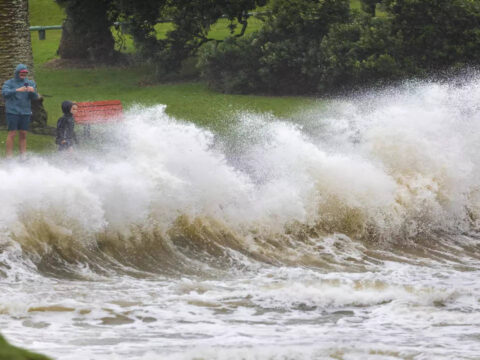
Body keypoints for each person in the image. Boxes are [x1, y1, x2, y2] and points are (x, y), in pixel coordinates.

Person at [1, 64, 39, 157]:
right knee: (12, 133)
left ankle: (23, 156)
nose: (23, 75)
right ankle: (9, 157)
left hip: (25, 112)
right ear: (17, 73)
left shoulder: (30, 83)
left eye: (25, 73)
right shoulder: (9, 83)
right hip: (12, 112)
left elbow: (35, 97)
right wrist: (17, 90)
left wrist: (33, 91)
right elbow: (5, 93)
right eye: (22, 73)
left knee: (23, 133)